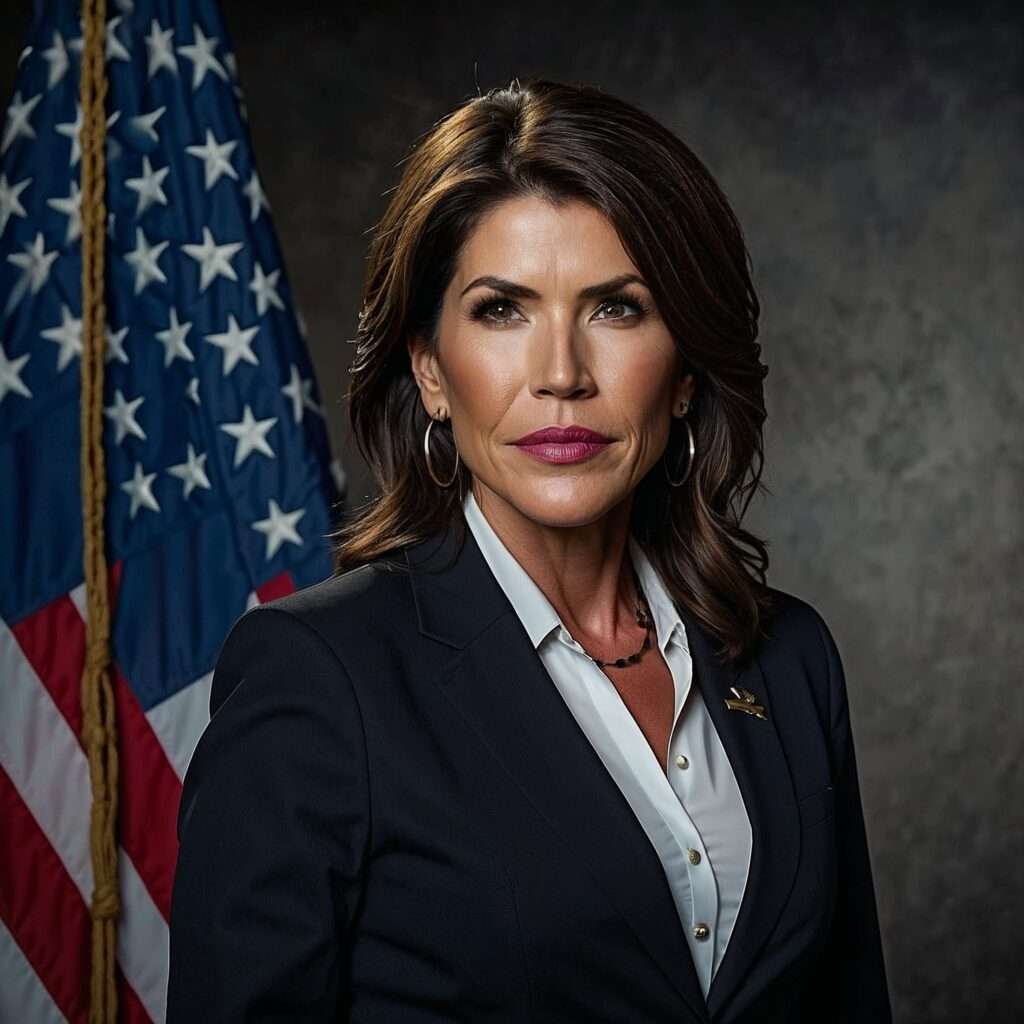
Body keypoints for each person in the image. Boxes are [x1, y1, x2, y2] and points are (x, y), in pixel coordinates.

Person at [167, 77, 892, 1023]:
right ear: (430, 368)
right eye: (502, 310)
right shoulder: (319, 678)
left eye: (617, 308)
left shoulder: (791, 659)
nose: (561, 376)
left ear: (682, 374)